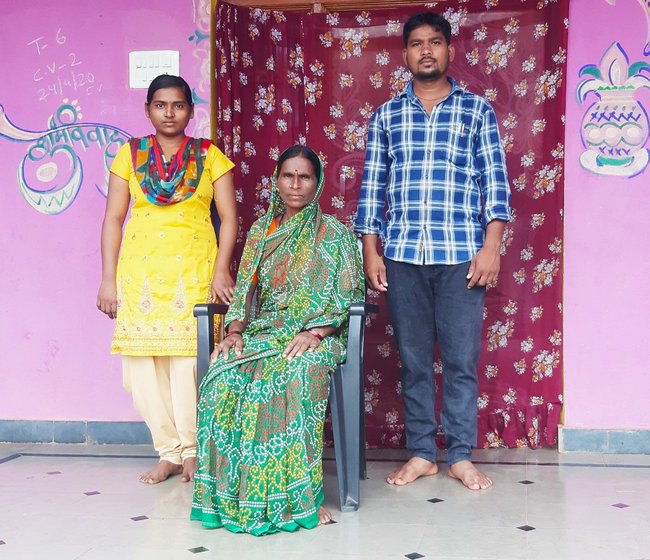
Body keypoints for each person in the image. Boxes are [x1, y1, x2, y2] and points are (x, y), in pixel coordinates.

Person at [354, 12, 511, 490]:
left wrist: (491, 247)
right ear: (405, 54)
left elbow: (495, 183)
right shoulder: (386, 115)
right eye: (417, 43)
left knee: (461, 360)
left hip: (462, 254)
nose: (426, 50)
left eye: (436, 42)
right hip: (401, 256)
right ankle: (423, 451)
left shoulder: (477, 111)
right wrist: (371, 251)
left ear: (449, 52)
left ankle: (460, 454)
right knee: (414, 361)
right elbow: (372, 188)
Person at [191, 145, 364, 535]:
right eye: (289, 176)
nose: (296, 185)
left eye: (305, 177)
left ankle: (299, 497)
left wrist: (316, 331)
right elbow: (243, 295)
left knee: (291, 374)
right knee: (222, 378)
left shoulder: (335, 235)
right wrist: (234, 332)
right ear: (277, 180)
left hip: (319, 337)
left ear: (317, 184)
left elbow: (351, 297)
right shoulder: (260, 232)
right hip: (264, 333)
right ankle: (230, 496)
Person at [97, 74, 238, 485]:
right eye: (161, 105)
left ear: (191, 112)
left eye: (178, 105)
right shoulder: (129, 154)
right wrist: (108, 279)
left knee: (187, 365)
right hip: (140, 277)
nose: (169, 113)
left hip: (193, 274)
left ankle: (192, 450)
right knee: (140, 369)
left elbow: (229, 217)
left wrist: (221, 269)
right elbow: (113, 219)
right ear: (147, 110)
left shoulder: (211, 156)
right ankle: (168, 452)